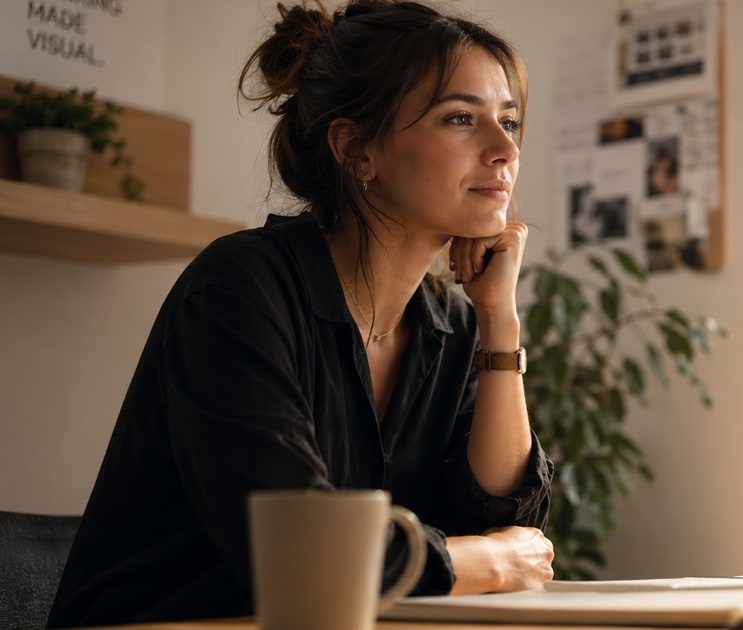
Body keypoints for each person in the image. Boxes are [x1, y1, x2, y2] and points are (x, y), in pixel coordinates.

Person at [46, 1, 554, 626]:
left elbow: (507, 527)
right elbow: (310, 559)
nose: (505, 148)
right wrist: (490, 562)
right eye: (460, 118)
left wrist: (500, 321)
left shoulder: (452, 326)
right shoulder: (240, 291)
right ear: (356, 149)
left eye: (509, 121)